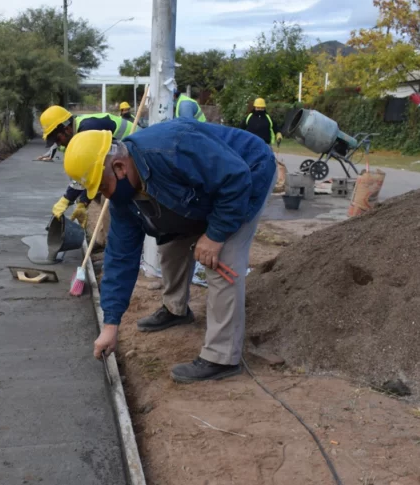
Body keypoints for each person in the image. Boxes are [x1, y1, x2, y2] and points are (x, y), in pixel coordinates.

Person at [62, 118, 276, 382]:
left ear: (118, 166)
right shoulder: (124, 199)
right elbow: (120, 258)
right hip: (201, 193)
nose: (105, 197)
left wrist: (215, 235)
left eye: (103, 187)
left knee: (221, 262)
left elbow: (235, 178)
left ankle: (222, 358)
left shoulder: (172, 147)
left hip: (247, 173)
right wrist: (111, 324)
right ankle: (176, 309)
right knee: (171, 245)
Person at [39, 105, 134, 228]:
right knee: (104, 194)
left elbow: (90, 170)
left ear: (67, 129)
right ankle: (102, 241)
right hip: (118, 159)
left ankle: (110, 240)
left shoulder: (87, 131)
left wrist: (68, 199)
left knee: (114, 202)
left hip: (133, 153)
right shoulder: (77, 134)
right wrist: (82, 202)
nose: (59, 144)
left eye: (58, 139)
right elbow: (85, 175)